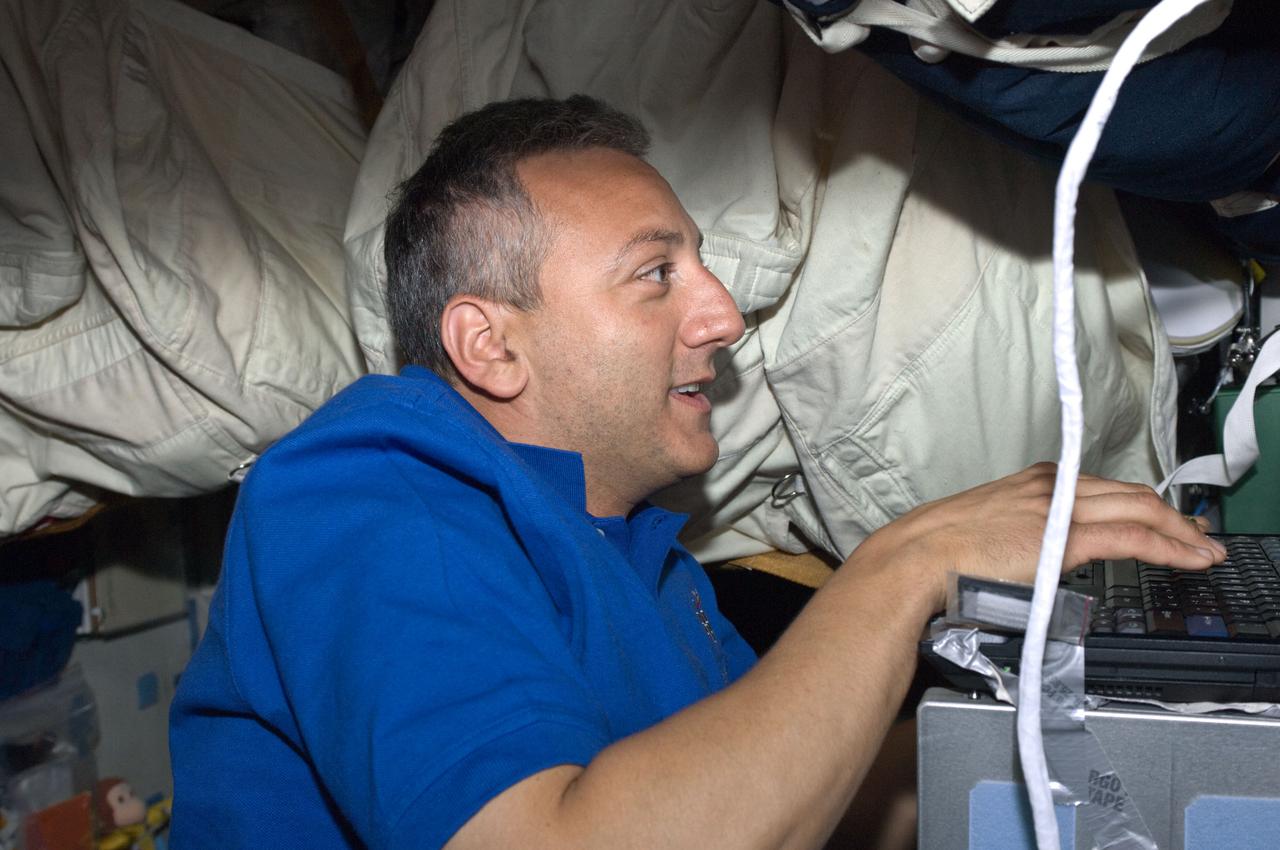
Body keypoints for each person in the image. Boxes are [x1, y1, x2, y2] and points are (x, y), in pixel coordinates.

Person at [168, 95, 1224, 849]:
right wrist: (904, 564)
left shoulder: (648, 565)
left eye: (702, 268)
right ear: (489, 345)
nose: (722, 315)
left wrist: (1100, 722)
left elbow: (789, 803)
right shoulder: (369, 489)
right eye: (655, 274)